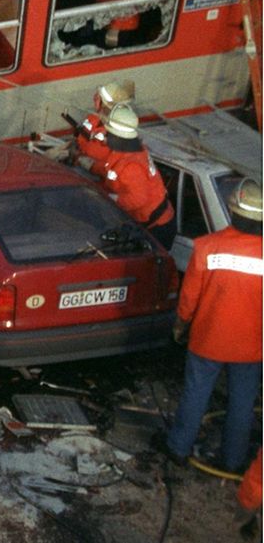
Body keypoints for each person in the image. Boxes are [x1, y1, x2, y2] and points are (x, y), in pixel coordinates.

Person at [161, 179, 262, 475]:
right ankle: (233, 459)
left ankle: (178, 449)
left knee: (196, 394)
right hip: (252, 345)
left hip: (208, 340)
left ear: (232, 211)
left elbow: (189, 298)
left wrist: (180, 326)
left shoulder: (207, 247)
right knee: (243, 403)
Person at [92, 104, 175, 249]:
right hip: (151, 223)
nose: (105, 136)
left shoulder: (132, 166)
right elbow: (112, 168)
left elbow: (138, 199)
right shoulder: (128, 149)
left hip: (156, 229)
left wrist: (109, 199)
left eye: (108, 133)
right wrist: (91, 166)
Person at [74, 80, 133, 167]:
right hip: (79, 160)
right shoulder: (92, 118)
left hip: (96, 172)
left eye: (98, 98)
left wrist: (90, 165)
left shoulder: (119, 130)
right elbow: (80, 139)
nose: (94, 99)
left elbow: (113, 164)